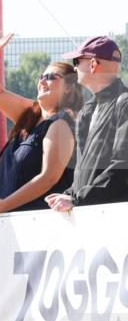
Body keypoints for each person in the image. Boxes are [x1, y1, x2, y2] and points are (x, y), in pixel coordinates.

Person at [0, 31, 82, 214]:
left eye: (51, 77)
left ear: (68, 88)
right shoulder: (31, 114)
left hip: (37, 226)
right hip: (8, 222)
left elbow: (49, 178)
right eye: (41, 76)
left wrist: (4, 205)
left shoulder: (61, 124)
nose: (43, 80)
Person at [46, 35, 128, 211]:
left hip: (115, 223)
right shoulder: (87, 111)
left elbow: (123, 169)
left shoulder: (124, 104)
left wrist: (77, 200)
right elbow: (84, 173)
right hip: (90, 219)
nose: (74, 68)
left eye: (76, 61)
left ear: (93, 65)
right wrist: (70, 194)